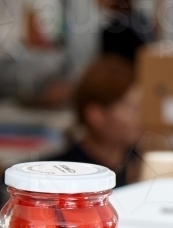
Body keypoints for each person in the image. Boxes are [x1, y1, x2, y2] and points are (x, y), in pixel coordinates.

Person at [56, 54, 142, 187]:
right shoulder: (62, 175)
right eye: (129, 108)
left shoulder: (138, 163)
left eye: (140, 107)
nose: (139, 117)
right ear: (96, 115)